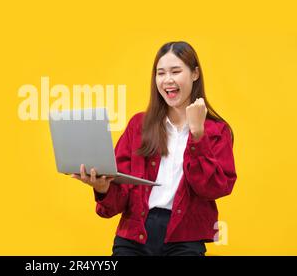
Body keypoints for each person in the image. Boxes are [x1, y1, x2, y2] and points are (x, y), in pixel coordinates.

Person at [72, 41, 237, 256]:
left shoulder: (216, 130)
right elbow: (118, 197)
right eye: (161, 73)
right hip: (134, 235)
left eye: (176, 71)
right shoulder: (138, 125)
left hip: (185, 237)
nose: (167, 80)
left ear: (195, 74)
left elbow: (214, 189)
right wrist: (103, 188)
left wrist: (198, 136)